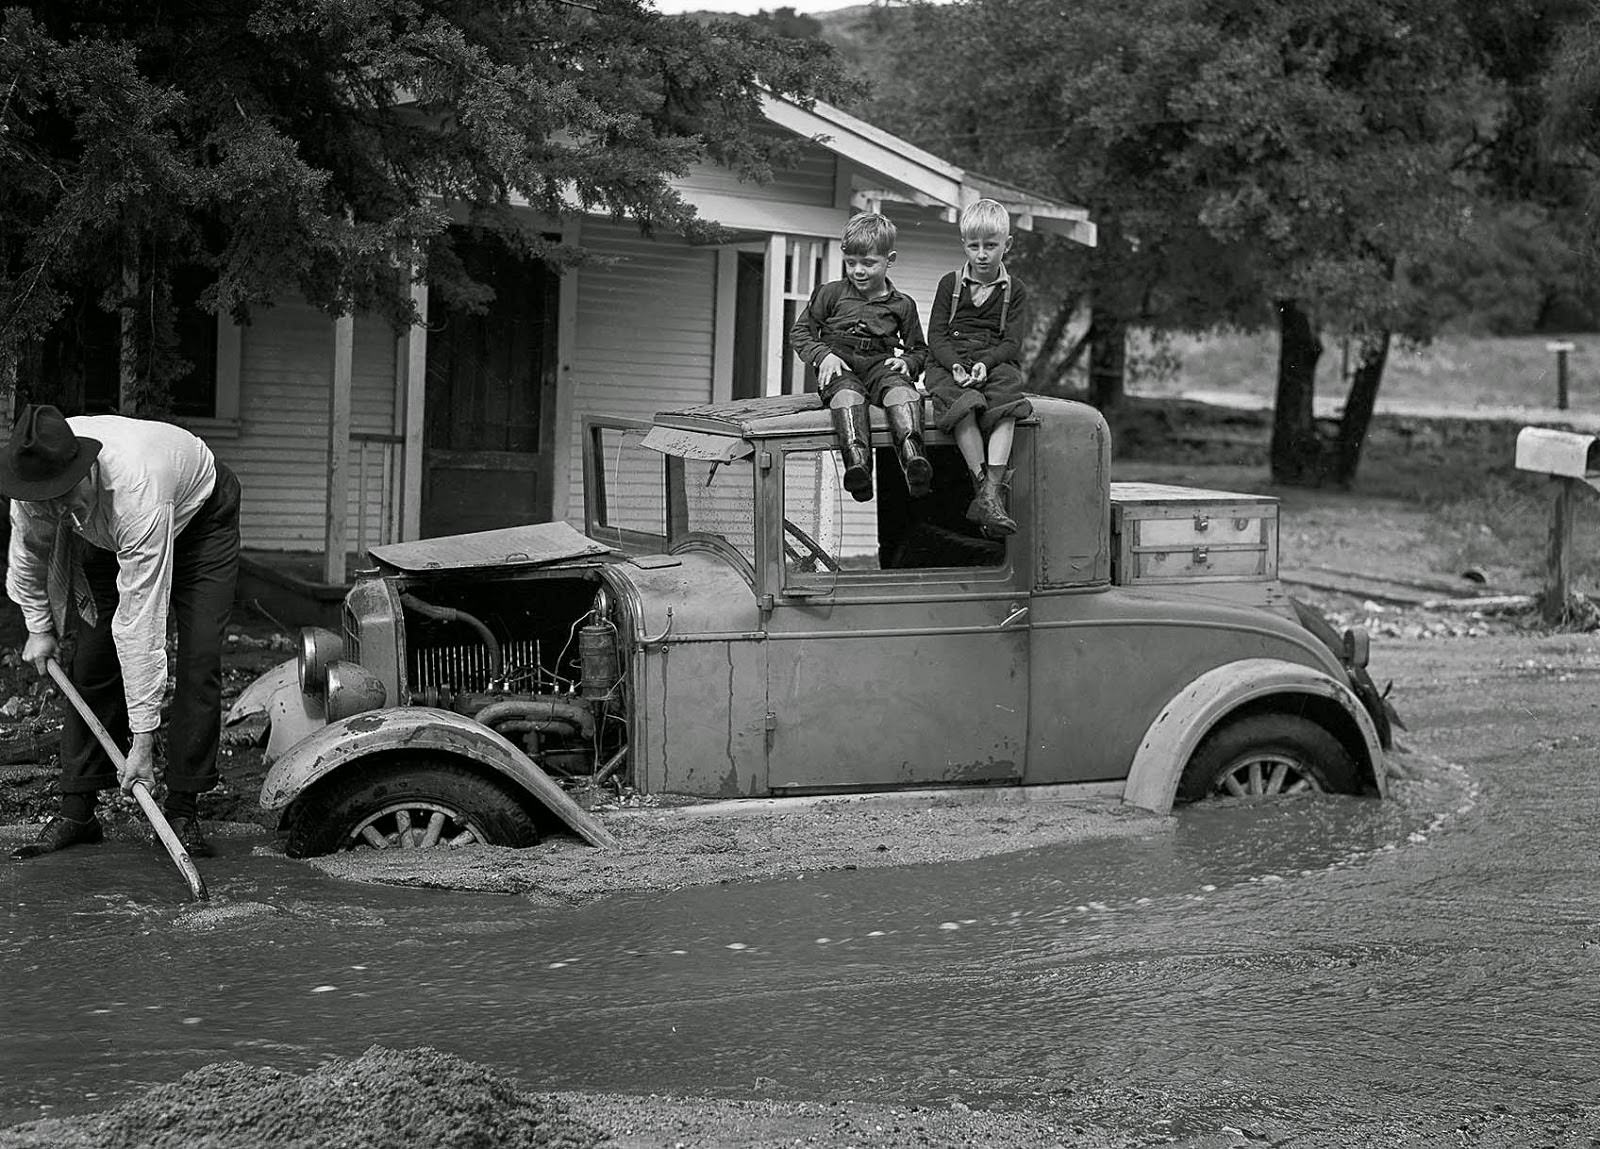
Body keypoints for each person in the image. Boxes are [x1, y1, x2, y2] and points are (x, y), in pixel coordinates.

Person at [3, 404, 241, 859]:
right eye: (49, 503)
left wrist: (143, 741)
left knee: (199, 657)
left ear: (89, 470)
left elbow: (140, 624)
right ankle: (78, 810)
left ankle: (182, 808)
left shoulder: (137, 490)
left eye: (66, 497)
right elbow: (28, 556)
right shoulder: (35, 482)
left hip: (200, 517)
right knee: (92, 657)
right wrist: (38, 627)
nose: (59, 512)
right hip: (107, 530)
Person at [789, 212, 932, 501]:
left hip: (880, 364)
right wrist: (823, 355)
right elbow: (800, 332)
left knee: (902, 393)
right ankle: (858, 468)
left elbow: (920, 350)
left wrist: (907, 362)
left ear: (889, 259)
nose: (858, 271)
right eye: (851, 262)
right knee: (847, 397)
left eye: (868, 263)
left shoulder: (902, 304)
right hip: (840, 365)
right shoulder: (830, 293)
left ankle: (914, 461)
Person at [924, 199, 1033, 536]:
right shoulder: (950, 284)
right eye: (974, 246)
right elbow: (936, 336)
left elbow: (1011, 343)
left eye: (991, 245)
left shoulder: (1015, 291)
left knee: (1006, 404)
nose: (982, 254)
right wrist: (956, 366)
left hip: (994, 358)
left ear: (1007, 245)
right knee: (964, 405)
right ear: (964, 246)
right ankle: (986, 490)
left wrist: (985, 364)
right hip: (950, 359)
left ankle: (989, 494)